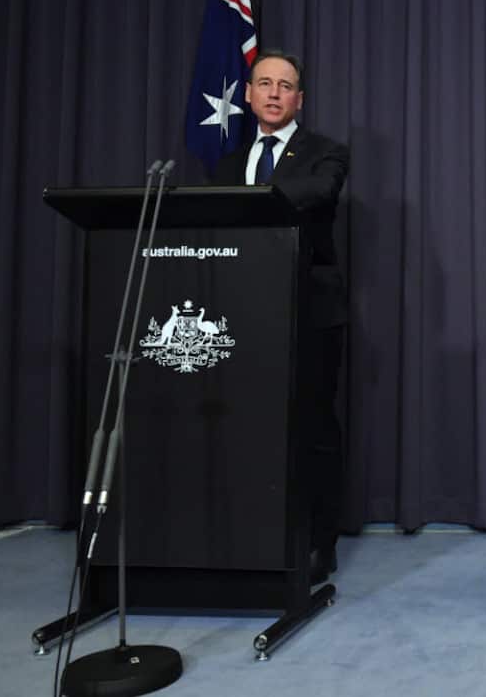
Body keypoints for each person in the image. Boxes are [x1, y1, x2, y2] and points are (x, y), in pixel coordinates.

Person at [211, 49, 349, 584]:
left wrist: (245, 202)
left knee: (313, 429)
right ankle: (250, 535)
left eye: (285, 86)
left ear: (299, 99)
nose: (273, 93)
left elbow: (319, 191)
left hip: (310, 311)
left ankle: (318, 543)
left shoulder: (325, 153)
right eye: (264, 83)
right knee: (247, 425)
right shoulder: (226, 163)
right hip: (244, 312)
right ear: (247, 95)